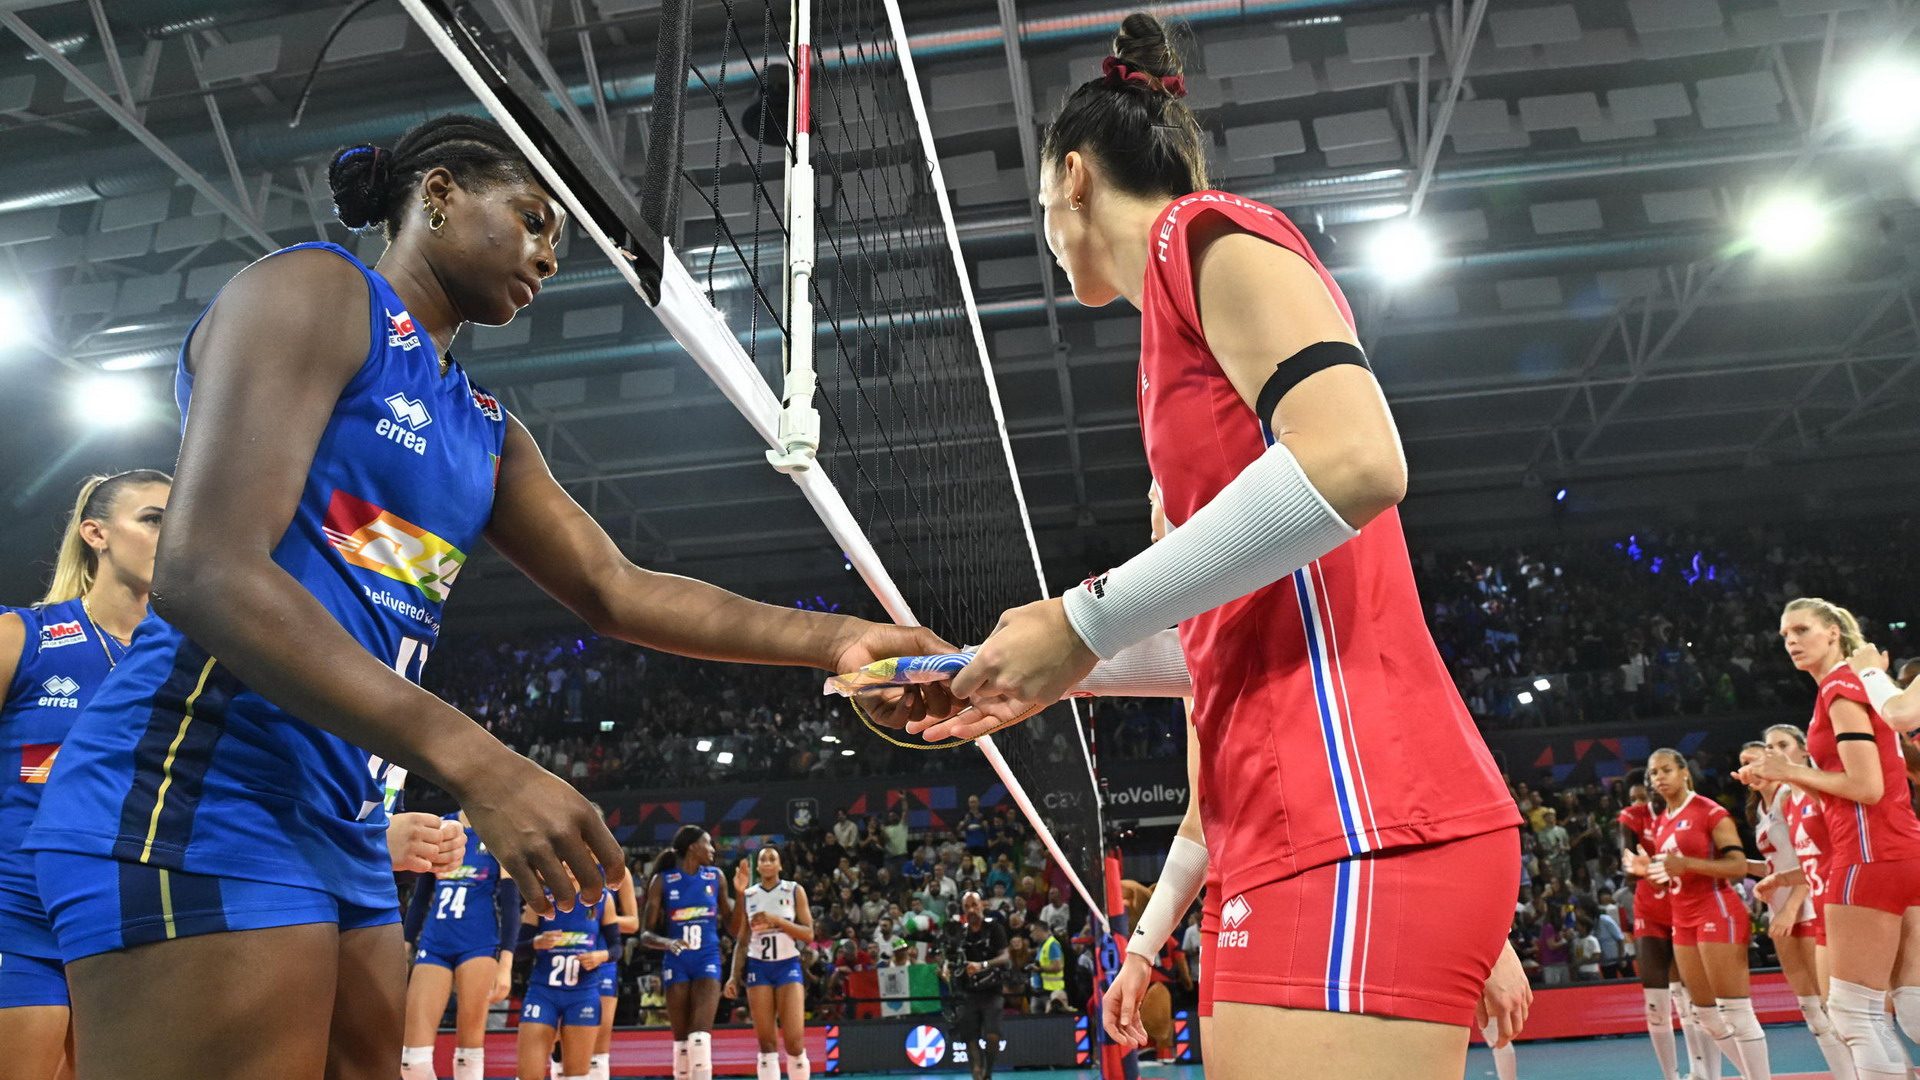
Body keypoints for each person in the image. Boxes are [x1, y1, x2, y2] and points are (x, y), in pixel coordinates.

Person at [21, 115, 954, 1080]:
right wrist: (480, 763)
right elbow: (206, 567)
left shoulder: (487, 428)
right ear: (437, 195)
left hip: (333, 813)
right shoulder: (315, 291)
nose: (550, 255)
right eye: (534, 220)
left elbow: (618, 589)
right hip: (194, 782)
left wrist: (845, 639)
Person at [0, 470, 169, 1080]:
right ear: (95, 533)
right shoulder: (21, 637)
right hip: (19, 916)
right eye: (152, 518)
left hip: (135, 927)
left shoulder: (201, 668)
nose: (172, 534)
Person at [1739, 599, 1920, 1080]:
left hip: (1867, 857)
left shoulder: (1840, 687)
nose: (1791, 641)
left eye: (1801, 629)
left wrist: (1790, 770)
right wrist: (1787, 778)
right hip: (1899, 849)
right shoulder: (1852, 687)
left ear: (1834, 633)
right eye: (1784, 635)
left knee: (1852, 1012)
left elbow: (1865, 788)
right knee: (1911, 1003)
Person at [1630, 749, 1771, 1080]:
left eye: (1666, 770)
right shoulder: (1662, 822)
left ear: (1684, 772)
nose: (1659, 778)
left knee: (1734, 1011)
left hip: (1717, 909)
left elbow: (1737, 866)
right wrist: (1648, 869)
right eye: (1653, 774)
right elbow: (1674, 872)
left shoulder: (1709, 811)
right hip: (1683, 918)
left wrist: (1688, 864)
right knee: (1704, 1015)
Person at [1740, 731, 1855, 1079]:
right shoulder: (1761, 810)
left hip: (1806, 905)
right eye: (1745, 764)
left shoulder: (1790, 796)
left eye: (1759, 758)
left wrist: (1791, 905)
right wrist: (1738, 865)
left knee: (1833, 1007)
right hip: (1781, 907)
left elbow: (1812, 856)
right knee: (1811, 1009)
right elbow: (1780, 865)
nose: (1753, 767)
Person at [400, 811, 522, 1080]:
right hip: (435, 942)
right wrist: (406, 943)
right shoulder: (443, 825)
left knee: (469, 1050)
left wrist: (506, 963)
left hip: (478, 944)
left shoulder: (500, 830)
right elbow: (420, 898)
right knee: (411, 1061)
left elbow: (511, 903)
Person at [1619, 781, 1707, 1080]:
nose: (1642, 800)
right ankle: (1671, 1077)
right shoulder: (1632, 818)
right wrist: (1650, 870)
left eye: (1645, 794)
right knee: (1656, 1004)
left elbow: (1693, 863)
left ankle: (1700, 1072)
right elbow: (1629, 869)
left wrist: (1654, 867)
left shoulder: (1687, 816)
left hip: (1683, 907)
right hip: (1649, 911)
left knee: (1688, 1001)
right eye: (1638, 795)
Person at [642, 826, 739, 1080]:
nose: (713, 849)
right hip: (676, 961)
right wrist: (667, 942)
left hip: (707, 958)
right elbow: (645, 934)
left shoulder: (715, 877)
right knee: (682, 1042)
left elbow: (734, 927)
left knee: (699, 1038)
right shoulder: (663, 881)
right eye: (708, 844)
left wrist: (740, 893)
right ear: (693, 847)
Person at [724, 845, 814, 1080]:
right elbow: (742, 940)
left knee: (794, 1042)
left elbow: (808, 933)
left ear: (780, 865)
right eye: (762, 859)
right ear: (758, 866)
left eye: (772, 858)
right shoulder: (749, 895)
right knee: (766, 1043)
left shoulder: (794, 891)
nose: (766, 862)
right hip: (759, 967)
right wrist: (734, 976)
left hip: (787, 965)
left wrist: (776, 920)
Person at [515, 887, 619, 1080]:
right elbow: (517, 950)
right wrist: (535, 943)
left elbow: (616, 947)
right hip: (543, 992)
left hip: (583, 994)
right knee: (527, 1075)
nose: (569, 865)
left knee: (577, 1075)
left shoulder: (602, 898)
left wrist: (601, 955)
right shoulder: (539, 899)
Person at [590, 829, 642, 1080]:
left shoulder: (617, 872)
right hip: (568, 956)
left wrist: (603, 918)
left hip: (604, 957)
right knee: (562, 1040)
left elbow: (633, 923)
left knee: (600, 1041)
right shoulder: (565, 868)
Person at [949, 891, 1011, 1080]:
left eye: (974, 905)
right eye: (967, 907)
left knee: (993, 1035)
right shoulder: (961, 933)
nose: (971, 910)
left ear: (982, 905)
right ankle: (977, 1071)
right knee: (970, 1036)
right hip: (969, 992)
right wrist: (948, 970)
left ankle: (988, 1072)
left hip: (992, 990)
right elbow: (954, 961)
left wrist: (983, 965)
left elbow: (1005, 957)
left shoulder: (995, 928)